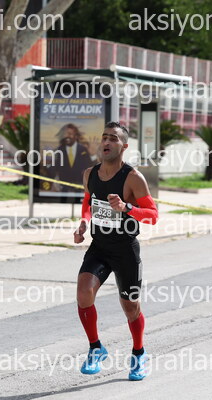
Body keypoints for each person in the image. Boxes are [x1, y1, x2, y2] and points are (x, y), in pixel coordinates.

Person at [73, 121, 159, 381]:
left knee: (130, 306)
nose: (107, 142)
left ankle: (139, 353)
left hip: (125, 249)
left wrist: (126, 208)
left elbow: (153, 215)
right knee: (84, 292)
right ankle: (96, 348)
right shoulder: (90, 173)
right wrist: (84, 223)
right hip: (99, 246)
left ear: (124, 146)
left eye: (113, 138)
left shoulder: (133, 178)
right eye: (104, 137)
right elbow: (88, 202)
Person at [47, 124, 95, 192]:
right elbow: (52, 171)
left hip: (80, 190)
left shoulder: (83, 150)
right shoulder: (59, 150)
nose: (67, 136)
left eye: (70, 134)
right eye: (65, 134)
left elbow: (90, 168)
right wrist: (47, 163)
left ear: (76, 136)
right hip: (63, 191)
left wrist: (93, 155)